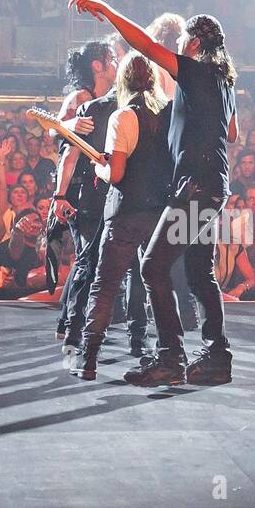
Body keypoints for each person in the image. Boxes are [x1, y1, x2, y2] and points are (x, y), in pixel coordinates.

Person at [70, 0, 238, 387]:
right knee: (199, 273)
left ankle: (170, 357)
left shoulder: (196, 72)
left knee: (153, 265)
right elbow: (232, 132)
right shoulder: (223, 82)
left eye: (182, 41)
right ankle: (217, 356)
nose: (176, 46)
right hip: (213, 187)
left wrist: (104, 8)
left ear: (194, 44)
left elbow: (143, 45)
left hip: (196, 188)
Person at [74, 54, 172, 380]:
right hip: (161, 213)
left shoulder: (123, 116)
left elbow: (116, 174)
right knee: (158, 285)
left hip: (126, 212)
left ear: (124, 82)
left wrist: (100, 168)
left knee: (105, 286)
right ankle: (165, 357)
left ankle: (88, 359)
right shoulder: (170, 114)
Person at [52, 40, 118, 352]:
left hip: (102, 186)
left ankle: (73, 321)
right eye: (111, 59)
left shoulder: (111, 100)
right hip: (79, 188)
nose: (116, 63)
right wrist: (70, 123)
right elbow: (53, 131)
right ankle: (68, 324)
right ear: (97, 65)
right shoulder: (80, 97)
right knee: (87, 258)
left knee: (91, 258)